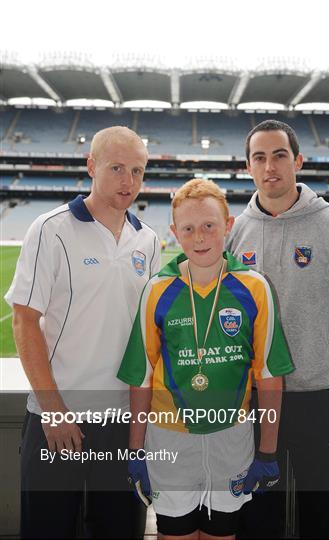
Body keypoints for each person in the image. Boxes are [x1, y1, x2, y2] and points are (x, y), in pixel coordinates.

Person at [5, 126, 160, 539]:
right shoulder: (51, 228)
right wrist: (54, 411)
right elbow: (24, 320)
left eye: (138, 171)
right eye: (116, 168)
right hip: (60, 420)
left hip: (123, 422)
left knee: (119, 531)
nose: (129, 182)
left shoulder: (147, 240)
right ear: (91, 166)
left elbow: (146, 335)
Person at [117, 178, 295, 540]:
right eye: (188, 228)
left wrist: (268, 451)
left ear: (228, 226)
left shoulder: (255, 288)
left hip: (232, 438)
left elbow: (269, 376)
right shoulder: (158, 290)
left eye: (209, 226)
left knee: (221, 535)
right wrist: (135, 449)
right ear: (174, 233)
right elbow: (142, 377)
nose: (199, 237)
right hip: (169, 439)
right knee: (176, 535)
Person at [226, 119, 329, 539]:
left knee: (327, 515)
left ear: (298, 161)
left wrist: (316, 345)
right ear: (248, 167)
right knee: (257, 516)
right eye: (260, 157)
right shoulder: (236, 231)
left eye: (279, 155)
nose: (270, 166)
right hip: (254, 398)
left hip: (319, 397)